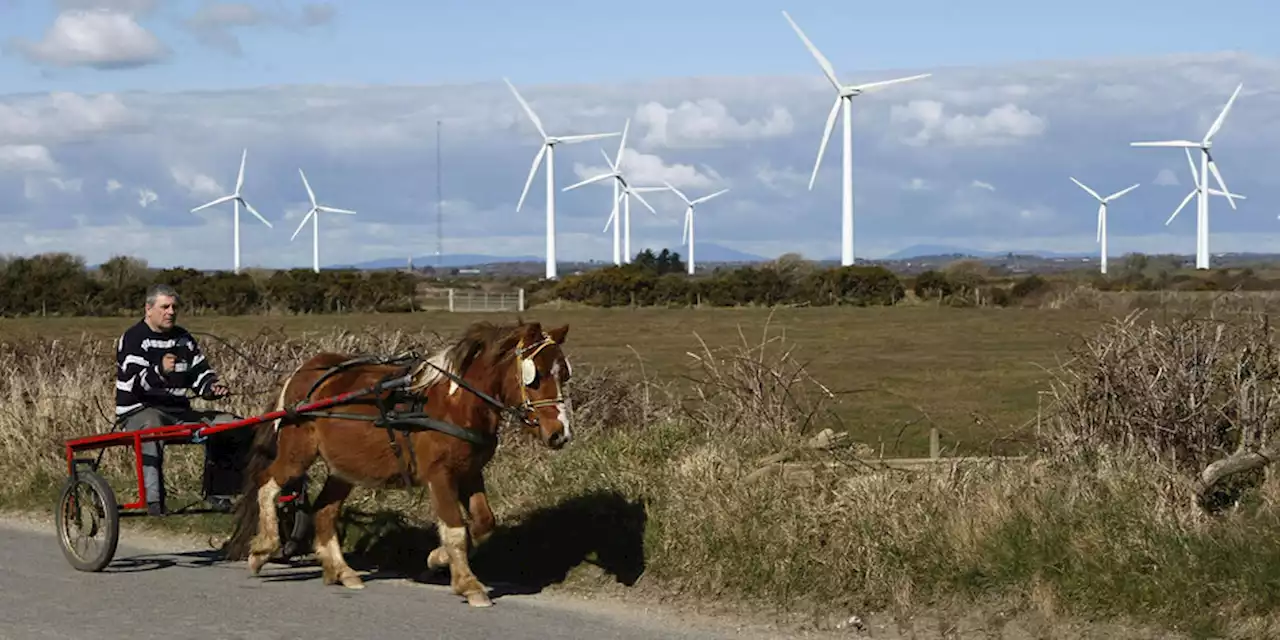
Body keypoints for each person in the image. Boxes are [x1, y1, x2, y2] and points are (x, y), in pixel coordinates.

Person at [115, 283, 251, 515]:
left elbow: (199, 373)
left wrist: (211, 387)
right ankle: (154, 501)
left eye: (174, 307)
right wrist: (159, 370)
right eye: (164, 307)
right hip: (139, 410)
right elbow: (134, 385)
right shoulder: (134, 338)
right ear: (148, 309)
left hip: (179, 411)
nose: (171, 312)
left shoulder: (183, 339)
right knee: (153, 426)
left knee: (235, 425)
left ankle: (220, 494)